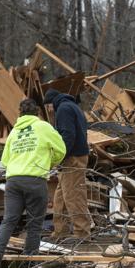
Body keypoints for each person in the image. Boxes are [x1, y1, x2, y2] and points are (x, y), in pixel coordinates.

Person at [0, 99, 66, 268]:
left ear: (21, 114)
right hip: (35, 180)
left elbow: (5, 160)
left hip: (13, 181)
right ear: (37, 112)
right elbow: (61, 149)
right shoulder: (43, 127)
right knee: (34, 224)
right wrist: (50, 163)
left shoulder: (14, 132)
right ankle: (29, 263)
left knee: (9, 221)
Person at [43, 88, 92, 240]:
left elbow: (68, 135)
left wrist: (59, 157)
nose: (49, 110)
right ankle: (60, 230)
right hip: (74, 156)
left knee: (73, 195)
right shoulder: (73, 106)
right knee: (61, 196)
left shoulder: (63, 109)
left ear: (51, 103)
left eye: (48, 107)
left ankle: (82, 232)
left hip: (72, 158)